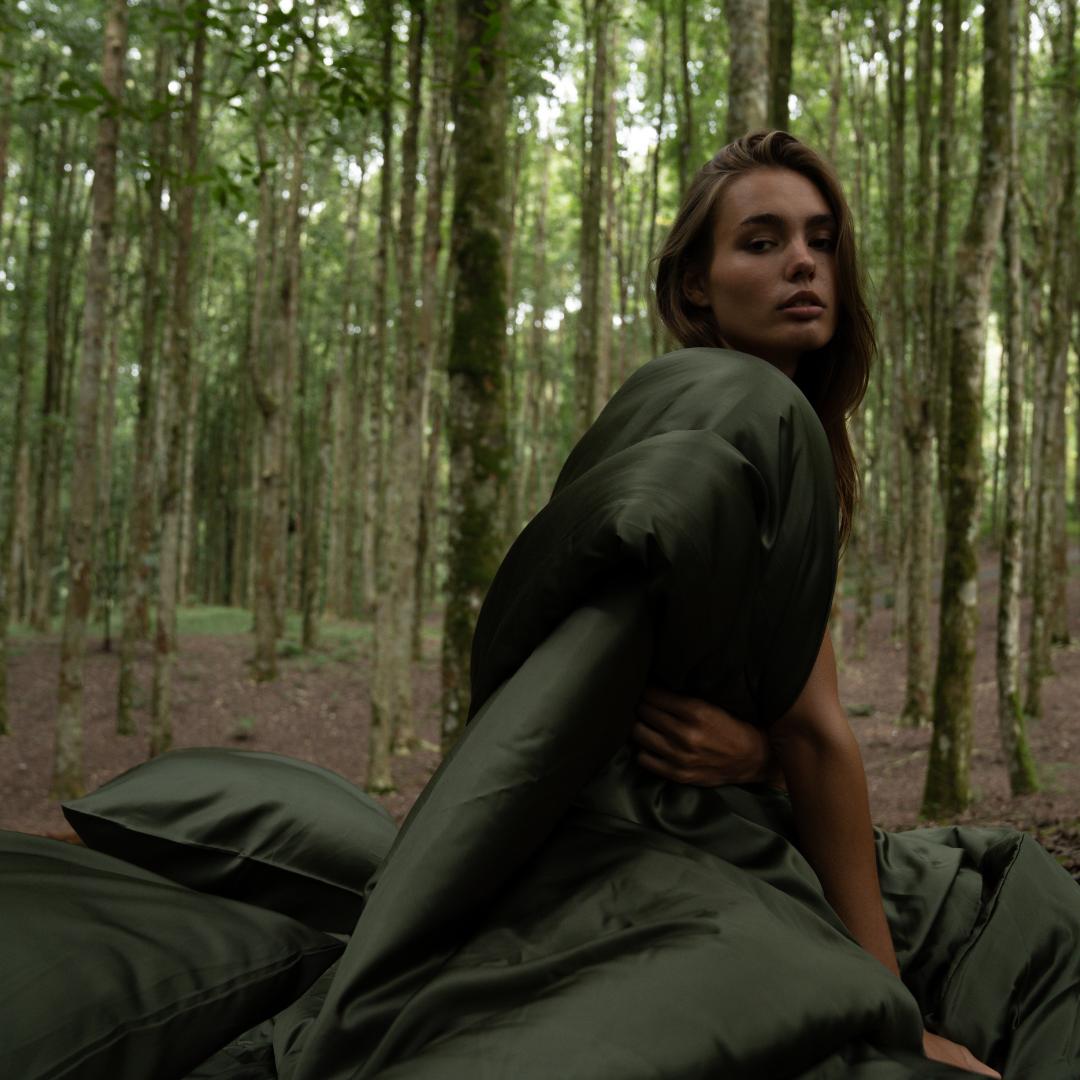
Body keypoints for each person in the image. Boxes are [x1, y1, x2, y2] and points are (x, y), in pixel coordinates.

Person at [633, 130, 1000, 1077]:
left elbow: (779, 723)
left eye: (822, 240)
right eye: (760, 241)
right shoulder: (726, 417)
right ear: (696, 288)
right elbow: (818, 733)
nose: (803, 260)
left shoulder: (790, 427)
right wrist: (892, 1017)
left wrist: (755, 756)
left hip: (728, 813)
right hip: (655, 847)